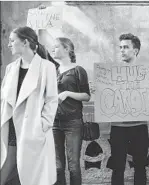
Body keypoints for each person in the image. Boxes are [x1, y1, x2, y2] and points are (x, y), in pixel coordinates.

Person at [1, 26, 58, 185]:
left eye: (12, 41)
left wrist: (43, 124)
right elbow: (4, 99)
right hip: (11, 125)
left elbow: (52, 99)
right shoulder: (11, 68)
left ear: (25, 42)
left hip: (33, 127)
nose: (9, 44)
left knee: (33, 173)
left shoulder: (47, 67)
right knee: (9, 162)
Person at [109, 33, 149, 185]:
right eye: (120, 47)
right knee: (117, 167)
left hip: (139, 126)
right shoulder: (111, 73)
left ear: (136, 50)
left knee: (140, 166)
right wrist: (99, 90)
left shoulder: (147, 72)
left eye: (126, 47)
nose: (122, 50)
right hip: (118, 126)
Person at [52, 37, 90, 185]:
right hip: (54, 122)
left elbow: (86, 96)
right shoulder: (53, 70)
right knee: (57, 166)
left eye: (56, 47)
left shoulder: (78, 70)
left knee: (73, 165)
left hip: (73, 123)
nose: (53, 49)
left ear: (67, 49)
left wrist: (67, 93)